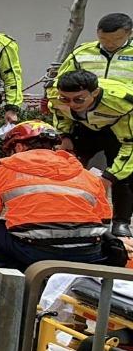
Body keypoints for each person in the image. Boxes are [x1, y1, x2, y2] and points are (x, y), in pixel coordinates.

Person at [0, 121, 109, 270]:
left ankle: (17, 267)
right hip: (89, 254)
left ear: (18, 147)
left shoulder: (0, 168)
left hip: (35, 253)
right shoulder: (86, 174)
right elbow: (105, 221)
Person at [52, 69, 133, 237]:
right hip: (83, 127)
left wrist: (109, 177)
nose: (72, 104)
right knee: (67, 164)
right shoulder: (54, 94)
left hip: (120, 131)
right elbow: (58, 112)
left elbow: (130, 146)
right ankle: (65, 213)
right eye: (65, 99)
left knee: (123, 175)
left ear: (95, 93)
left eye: (78, 99)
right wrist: (65, 136)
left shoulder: (125, 103)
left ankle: (121, 221)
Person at [55, 12, 133, 88]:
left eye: (117, 39)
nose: (109, 44)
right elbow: (60, 82)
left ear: (130, 34)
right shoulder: (81, 52)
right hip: (86, 97)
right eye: (103, 39)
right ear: (97, 32)